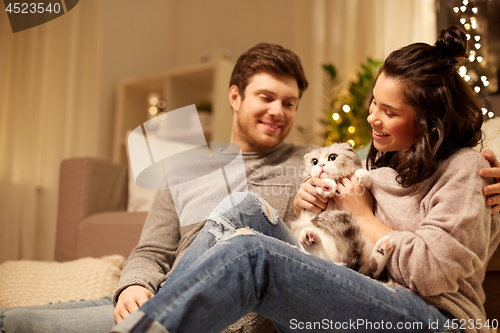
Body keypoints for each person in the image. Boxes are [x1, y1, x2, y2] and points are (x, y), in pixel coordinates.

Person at [0, 41, 499, 333]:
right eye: (266, 97)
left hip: (256, 301)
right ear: (234, 97)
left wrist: (331, 207)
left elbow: (440, 246)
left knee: (248, 236)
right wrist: (135, 284)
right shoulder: (186, 163)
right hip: (177, 288)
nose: (278, 112)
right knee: (17, 322)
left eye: (289, 102)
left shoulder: (309, 161)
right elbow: (151, 249)